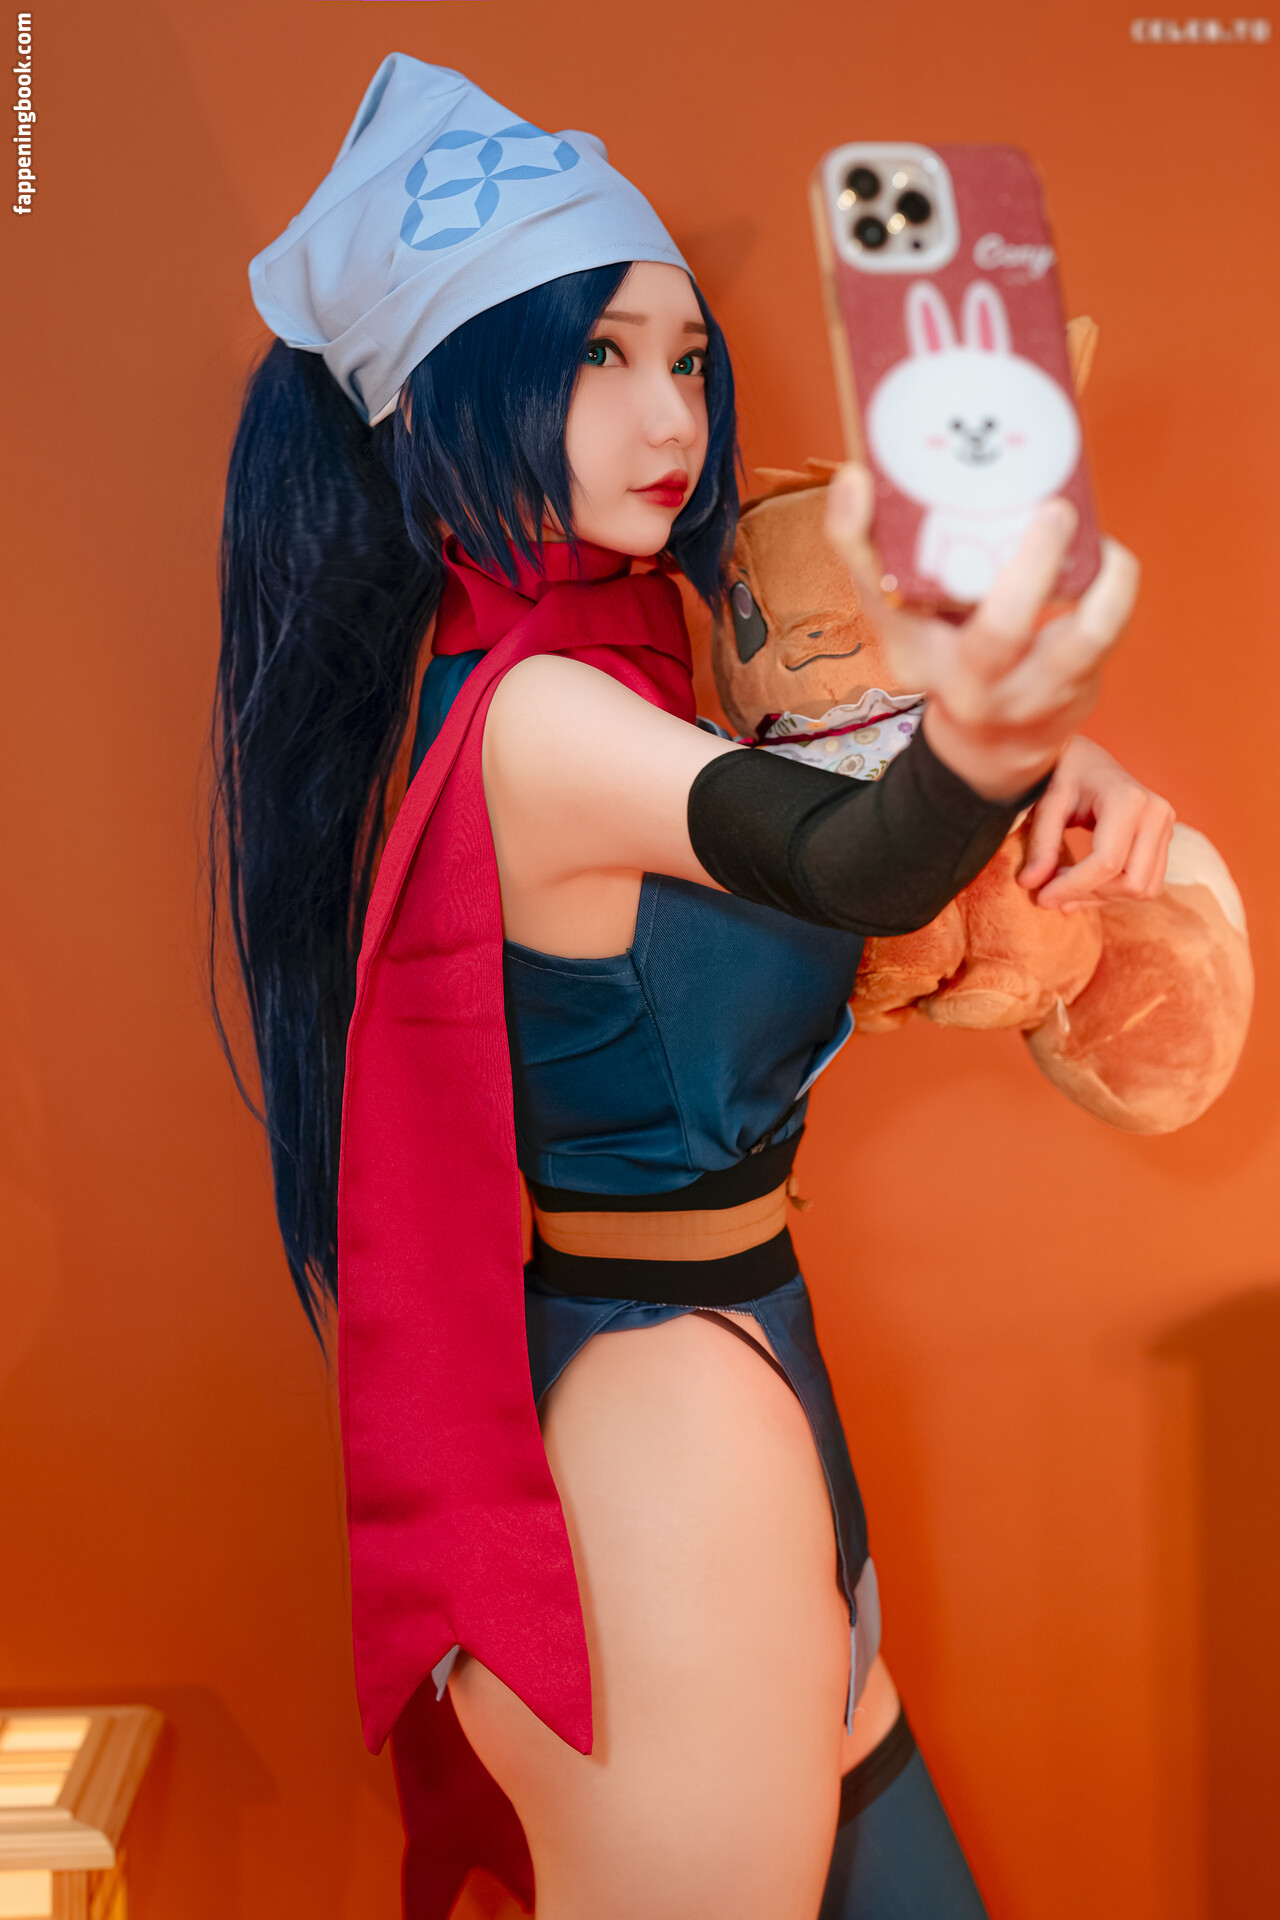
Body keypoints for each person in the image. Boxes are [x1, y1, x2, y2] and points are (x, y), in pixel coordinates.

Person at [212, 53, 1174, 1920]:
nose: (670, 415)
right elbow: (849, 857)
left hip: (735, 1370)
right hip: (666, 1440)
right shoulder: (540, 717)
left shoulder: (630, 649)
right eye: (599, 356)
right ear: (451, 387)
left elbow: (838, 789)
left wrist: (1035, 765)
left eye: (689, 358)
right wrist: (989, 753)